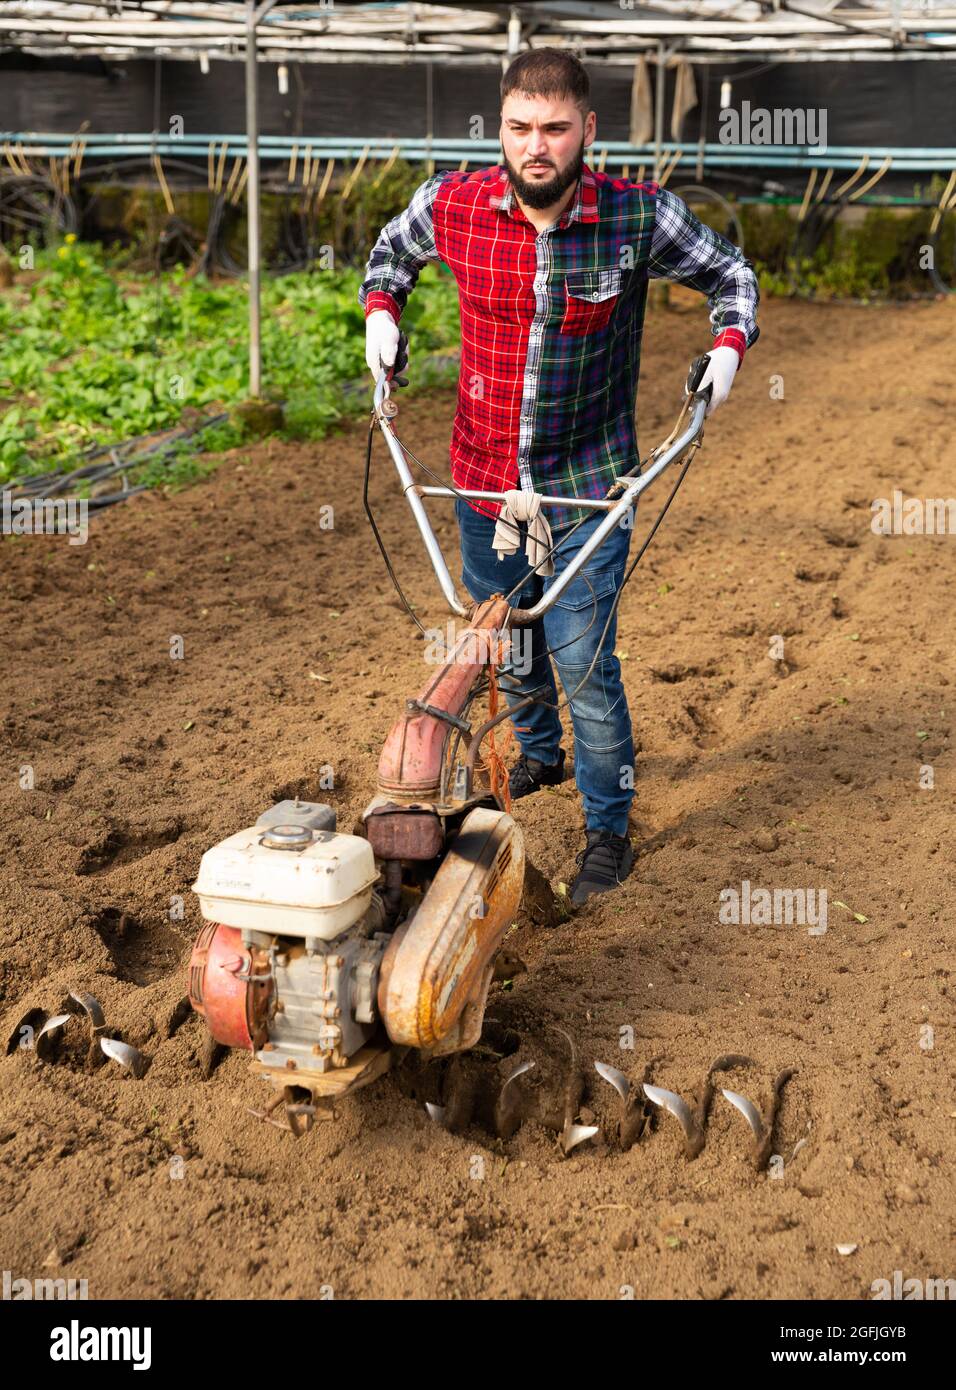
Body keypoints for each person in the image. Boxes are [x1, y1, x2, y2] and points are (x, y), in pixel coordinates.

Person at [359, 47, 759, 905]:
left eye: (553, 129)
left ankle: (608, 828)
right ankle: (539, 753)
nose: (534, 146)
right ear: (498, 126)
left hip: (589, 485)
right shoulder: (453, 204)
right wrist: (381, 319)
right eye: (518, 128)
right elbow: (388, 256)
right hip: (480, 478)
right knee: (508, 636)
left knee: (584, 663)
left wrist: (728, 346)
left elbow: (734, 274)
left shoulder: (638, 217)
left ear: (587, 132)